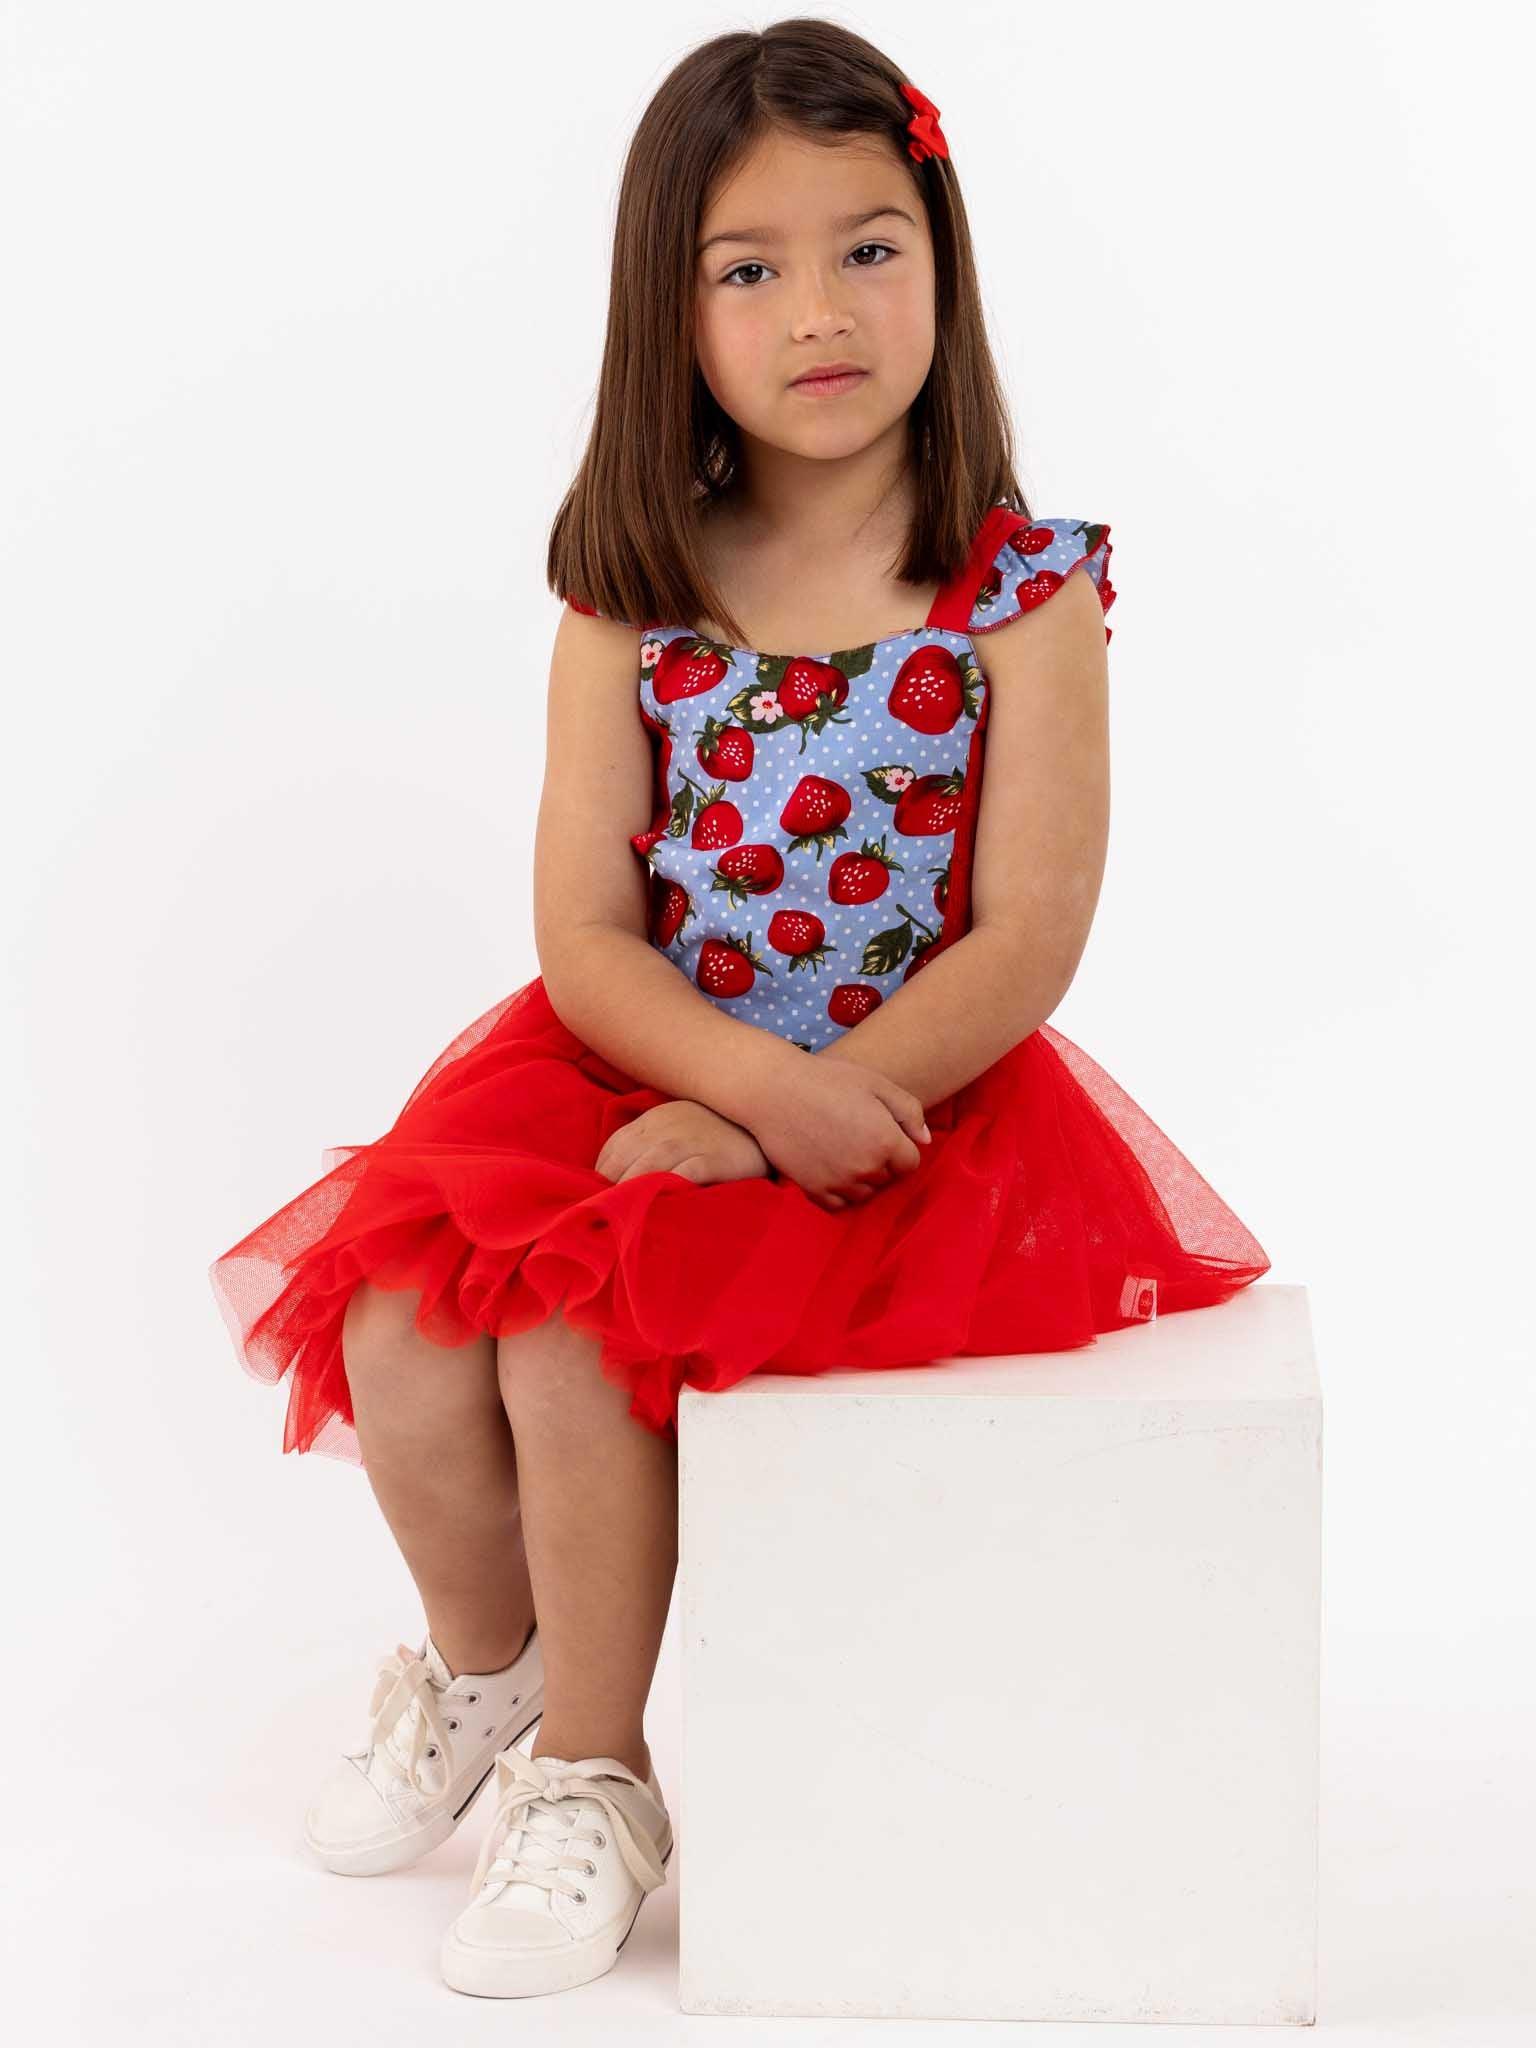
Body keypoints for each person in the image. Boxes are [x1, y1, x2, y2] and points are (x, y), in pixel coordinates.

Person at [208, 19, 1271, 2003]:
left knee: (565, 1326)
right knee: (393, 1322)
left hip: (907, 1098)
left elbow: (1030, 935)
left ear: (944, 263)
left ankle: (600, 1779)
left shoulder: (1020, 594)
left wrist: (797, 1103)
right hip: (644, 1054)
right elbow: (583, 927)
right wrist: (715, 1079)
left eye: (871, 247)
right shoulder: (639, 591)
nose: (820, 312)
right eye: (749, 268)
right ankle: (489, 1668)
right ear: (668, 311)